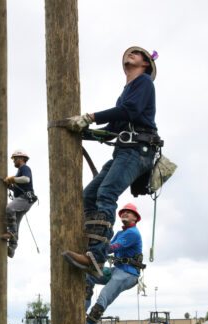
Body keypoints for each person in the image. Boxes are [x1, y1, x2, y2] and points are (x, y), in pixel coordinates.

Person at [61, 46, 161, 277]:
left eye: (138, 54)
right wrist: (84, 131)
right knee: (89, 195)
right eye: (130, 53)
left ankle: (96, 256)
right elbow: (113, 128)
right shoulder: (126, 91)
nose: (131, 55)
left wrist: (90, 117)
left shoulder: (144, 83)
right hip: (124, 152)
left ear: (146, 64)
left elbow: (129, 111)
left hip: (138, 151)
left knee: (106, 193)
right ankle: (89, 249)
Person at [85, 203, 145, 324]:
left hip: (128, 274)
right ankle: (82, 306)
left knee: (103, 297)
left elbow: (112, 248)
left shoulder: (133, 233)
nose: (125, 213)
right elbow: (108, 247)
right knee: (89, 274)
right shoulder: (120, 232)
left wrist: (93, 247)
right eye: (123, 212)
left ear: (135, 218)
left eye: (128, 212)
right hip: (117, 271)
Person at [1, 151, 37, 258]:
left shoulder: (25, 168)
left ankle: (11, 234)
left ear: (20, 159)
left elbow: (26, 179)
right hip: (23, 199)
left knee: (9, 208)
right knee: (15, 222)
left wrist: (13, 179)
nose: (13, 161)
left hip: (25, 199)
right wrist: (11, 186)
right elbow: (20, 187)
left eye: (14, 159)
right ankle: (12, 246)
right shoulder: (19, 172)